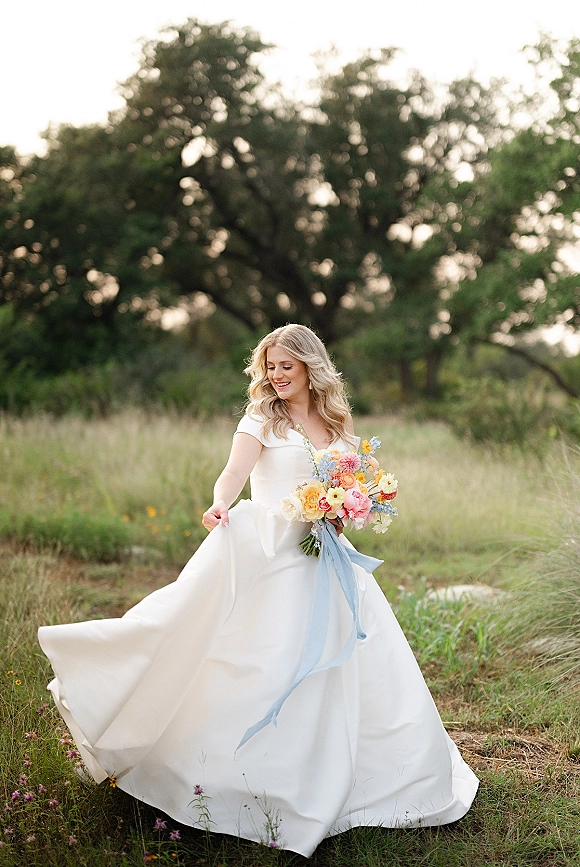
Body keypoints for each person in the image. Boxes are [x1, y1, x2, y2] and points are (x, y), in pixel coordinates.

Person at [38, 324, 478, 857]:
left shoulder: (337, 420)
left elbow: (347, 479)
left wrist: (345, 507)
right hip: (271, 550)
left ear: (310, 368)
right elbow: (233, 473)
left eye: (285, 367)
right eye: (269, 367)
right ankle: (231, 778)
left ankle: (356, 777)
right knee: (257, 659)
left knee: (347, 669)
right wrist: (221, 502)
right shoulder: (261, 418)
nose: (276, 376)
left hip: (325, 558)